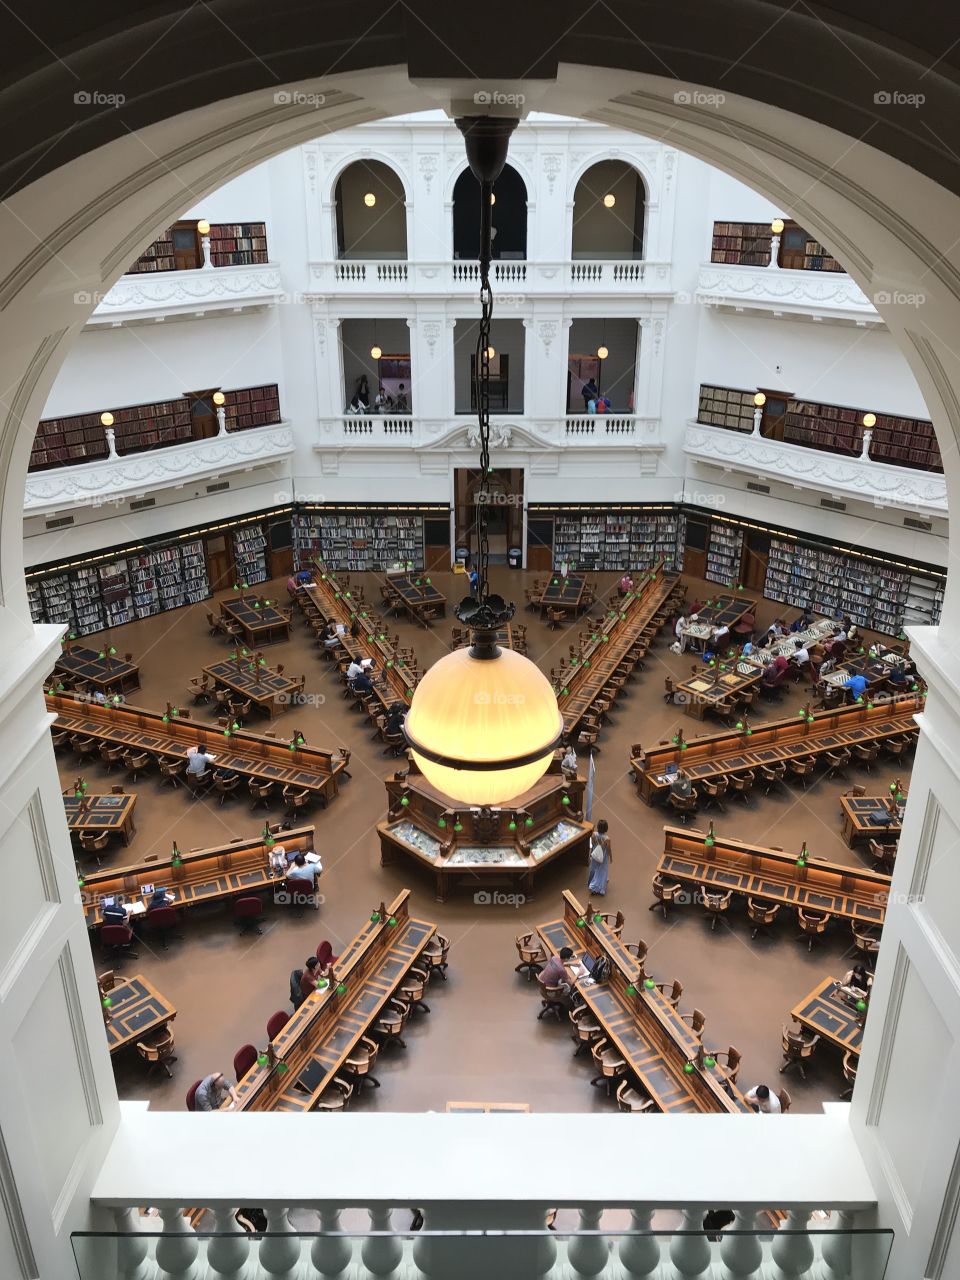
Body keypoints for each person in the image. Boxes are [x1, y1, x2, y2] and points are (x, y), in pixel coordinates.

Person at [587, 818, 612, 896]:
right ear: (606, 828)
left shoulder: (594, 834)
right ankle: (596, 888)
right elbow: (609, 849)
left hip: (595, 855)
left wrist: (590, 853)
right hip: (603, 857)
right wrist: (611, 857)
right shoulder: (607, 839)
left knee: (593, 869)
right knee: (601, 871)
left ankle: (590, 882)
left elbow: (591, 844)